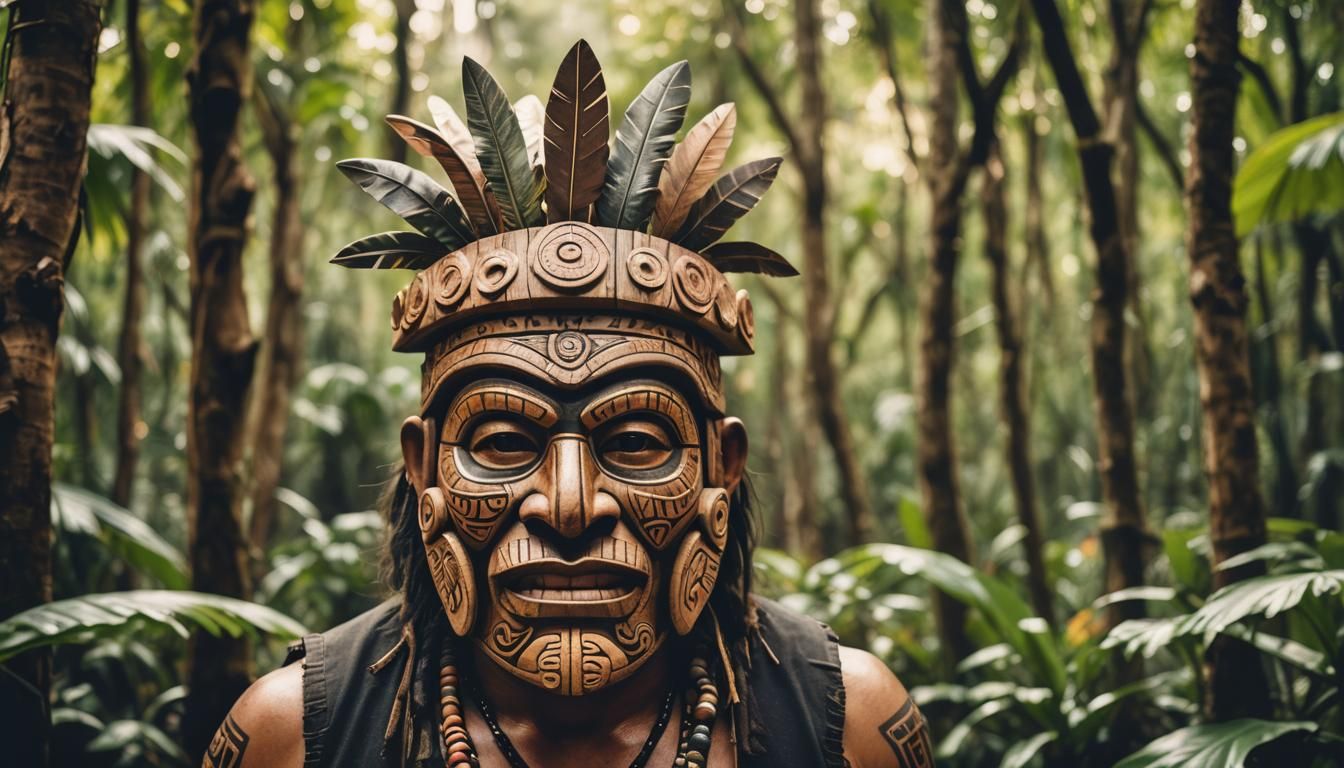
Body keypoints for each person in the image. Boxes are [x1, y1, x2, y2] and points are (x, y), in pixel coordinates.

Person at [205, 40, 933, 768]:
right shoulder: (289, 737)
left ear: (724, 464)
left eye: (639, 443)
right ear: (423, 466)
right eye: (501, 444)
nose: (570, 506)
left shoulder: (851, 728)